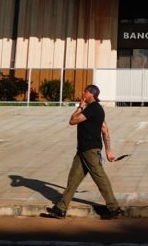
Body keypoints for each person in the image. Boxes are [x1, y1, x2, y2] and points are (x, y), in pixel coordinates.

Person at [45, 84, 123, 219]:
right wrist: (108, 150)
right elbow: (105, 130)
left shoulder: (92, 108)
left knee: (100, 178)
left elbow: (72, 120)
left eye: (85, 91)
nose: (83, 93)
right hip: (82, 150)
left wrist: (80, 107)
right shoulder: (97, 109)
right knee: (73, 179)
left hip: (90, 150)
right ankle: (60, 208)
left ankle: (114, 208)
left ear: (91, 94)